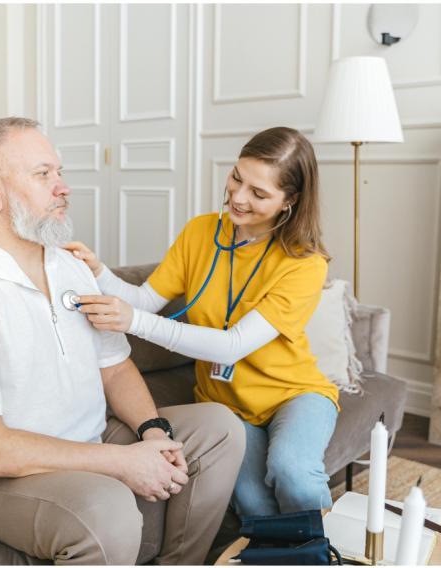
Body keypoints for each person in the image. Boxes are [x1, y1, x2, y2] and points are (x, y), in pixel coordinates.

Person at [0, 117, 245, 565]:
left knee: (219, 429)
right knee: (106, 510)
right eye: (43, 174)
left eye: (59, 173)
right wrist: (122, 462)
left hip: (87, 438)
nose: (62, 187)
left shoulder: (69, 266)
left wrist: (152, 431)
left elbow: (116, 366)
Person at [65, 127, 339, 518]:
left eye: (259, 194)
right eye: (236, 178)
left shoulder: (304, 264)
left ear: (289, 201)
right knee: (254, 505)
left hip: (293, 395)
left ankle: (318, 554)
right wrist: (99, 271)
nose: (239, 198)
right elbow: (145, 299)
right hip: (224, 405)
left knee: (293, 473)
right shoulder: (201, 232)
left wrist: (134, 322)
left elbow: (232, 345)